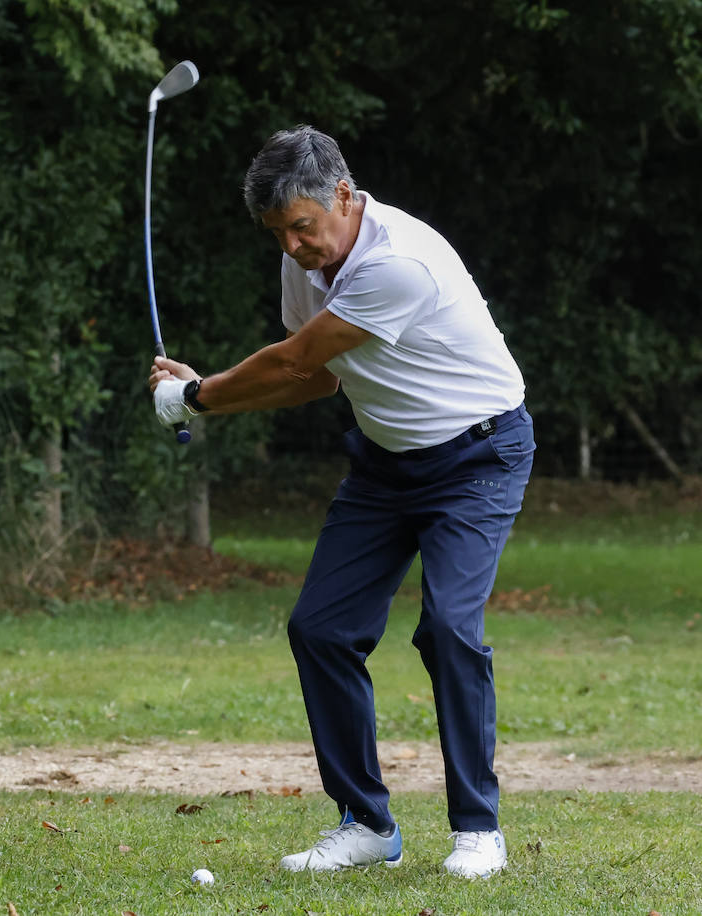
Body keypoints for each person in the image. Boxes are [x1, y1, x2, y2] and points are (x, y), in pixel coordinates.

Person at [149, 125, 533, 875]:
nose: (293, 246)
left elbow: (296, 358)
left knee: (449, 628)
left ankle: (478, 830)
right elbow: (317, 375)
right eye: (279, 233)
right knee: (321, 628)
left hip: (479, 454)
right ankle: (366, 824)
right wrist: (202, 396)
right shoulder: (310, 262)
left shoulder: (399, 263)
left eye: (301, 225)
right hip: (386, 466)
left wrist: (194, 397)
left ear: (346, 197)